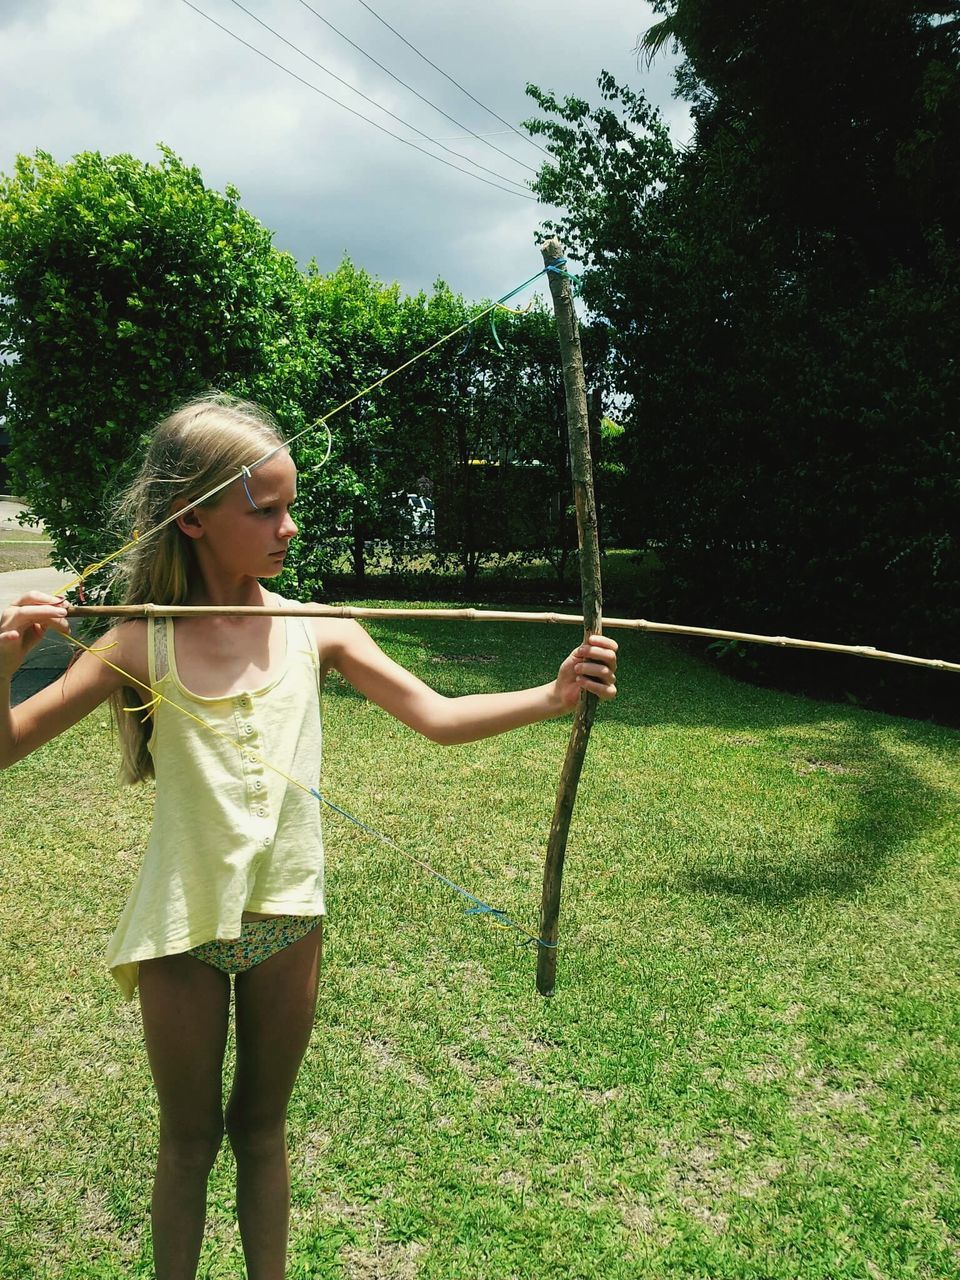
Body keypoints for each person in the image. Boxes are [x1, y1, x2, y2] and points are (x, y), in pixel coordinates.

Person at [0, 394, 617, 1280]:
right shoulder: (140, 641)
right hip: (183, 927)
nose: (289, 527)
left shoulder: (315, 625)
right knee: (187, 1142)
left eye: (293, 507)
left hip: (290, 917)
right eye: (267, 510)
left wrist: (553, 696)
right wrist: (7, 661)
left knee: (261, 1131)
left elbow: (436, 717)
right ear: (196, 519)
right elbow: (7, 746)